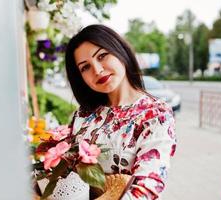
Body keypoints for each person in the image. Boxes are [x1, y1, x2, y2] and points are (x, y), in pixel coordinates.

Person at [65, 24, 176, 199]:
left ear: (120, 51)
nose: (97, 70)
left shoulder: (155, 114)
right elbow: (66, 171)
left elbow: (147, 189)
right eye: (85, 67)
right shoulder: (84, 114)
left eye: (102, 56)